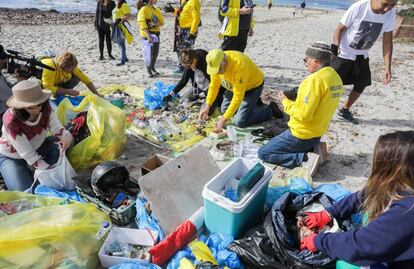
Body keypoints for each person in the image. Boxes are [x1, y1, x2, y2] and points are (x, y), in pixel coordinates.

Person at [300, 130, 414, 269]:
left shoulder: (408, 209)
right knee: (370, 209)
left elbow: (362, 245)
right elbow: (370, 193)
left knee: (346, 264)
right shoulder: (405, 185)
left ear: (394, 169)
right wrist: (329, 213)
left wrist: (318, 241)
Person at [258, 42, 343, 174]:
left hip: (302, 133)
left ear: (316, 61)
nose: (304, 63)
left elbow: (304, 115)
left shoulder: (313, 80)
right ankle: (314, 148)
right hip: (318, 132)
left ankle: (305, 159)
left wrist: (285, 102)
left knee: (264, 153)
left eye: (306, 60)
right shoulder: (335, 76)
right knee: (276, 136)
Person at [331, 0, 397, 124]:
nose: (387, 9)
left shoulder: (391, 13)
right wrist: (335, 48)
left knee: (362, 83)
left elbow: (387, 42)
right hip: (343, 55)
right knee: (329, 85)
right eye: (385, 4)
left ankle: (344, 110)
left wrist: (388, 67)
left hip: (362, 56)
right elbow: (339, 29)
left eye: (392, 5)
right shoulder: (359, 7)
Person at [0, 80, 73, 191]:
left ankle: (30, 172)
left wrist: (66, 137)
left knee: (65, 145)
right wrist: (47, 170)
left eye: (39, 104)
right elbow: (27, 153)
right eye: (30, 107)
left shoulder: (45, 107)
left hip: (39, 147)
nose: (36, 109)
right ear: (20, 106)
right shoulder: (11, 121)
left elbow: (56, 127)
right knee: (26, 193)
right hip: (12, 156)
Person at [199, 49, 282, 131]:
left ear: (224, 61)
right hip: (233, 87)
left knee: (239, 122)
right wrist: (207, 106)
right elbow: (214, 86)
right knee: (224, 110)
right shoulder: (215, 62)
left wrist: (223, 119)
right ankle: (253, 105)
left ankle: (270, 110)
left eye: (219, 70)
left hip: (252, 88)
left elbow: (238, 96)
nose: (217, 73)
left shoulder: (239, 65)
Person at [163, 49, 225, 114]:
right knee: (182, 101)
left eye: (188, 66)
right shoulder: (188, 62)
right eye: (185, 67)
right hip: (199, 88)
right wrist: (171, 94)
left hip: (213, 90)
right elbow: (183, 81)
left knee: (205, 112)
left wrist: (199, 96)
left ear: (195, 60)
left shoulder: (205, 64)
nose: (187, 68)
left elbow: (216, 86)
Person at [164, 0, 201, 73]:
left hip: (189, 29)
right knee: (179, 49)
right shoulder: (184, 1)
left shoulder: (193, 2)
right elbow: (182, 13)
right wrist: (173, 10)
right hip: (182, 29)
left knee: (186, 50)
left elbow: (196, 18)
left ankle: (187, 69)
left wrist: (192, 32)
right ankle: (182, 67)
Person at [137, 0, 164, 77]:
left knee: (155, 53)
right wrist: (148, 35)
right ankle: (148, 70)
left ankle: (153, 68)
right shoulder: (143, 10)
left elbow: (162, 22)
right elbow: (142, 24)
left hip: (156, 34)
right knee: (149, 54)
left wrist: (155, 23)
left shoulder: (156, 10)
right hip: (147, 35)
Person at [113, 0, 134, 66]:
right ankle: (125, 58)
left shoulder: (124, 5)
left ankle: (122, 61)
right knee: (120, 43)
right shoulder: (117, 5)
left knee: (121, 43)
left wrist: (120, 19)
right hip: (116, 26)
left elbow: (129, 15)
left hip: (122, 27)